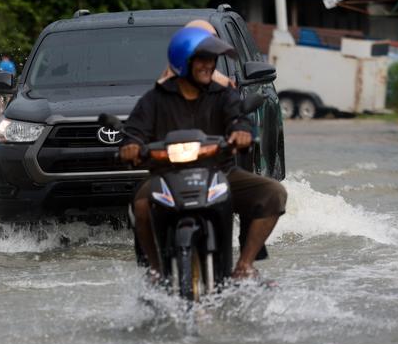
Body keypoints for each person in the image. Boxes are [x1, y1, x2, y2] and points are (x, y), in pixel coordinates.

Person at [120, 26, 287, 279]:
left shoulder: (223, 94)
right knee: (141, 204)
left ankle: (244, 265)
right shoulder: (155, 98)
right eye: (202, 59)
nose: (209, 65)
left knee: (274, 193)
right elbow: (134, 131)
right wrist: (130, 146)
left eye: (212, 59)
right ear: (183, 61)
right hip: (166, 175)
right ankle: (155, 270)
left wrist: (241, 132)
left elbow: (238, 118)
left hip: (221, 172)